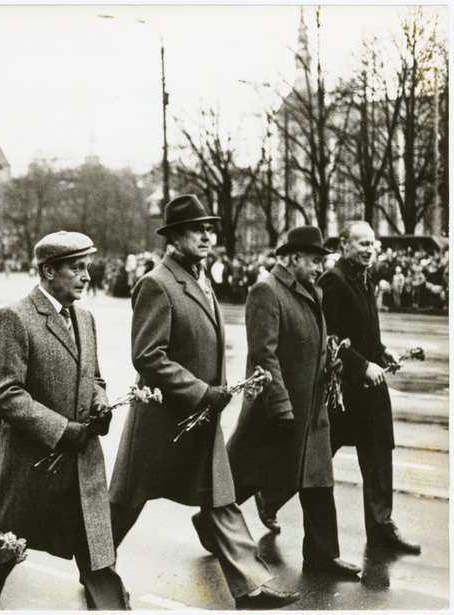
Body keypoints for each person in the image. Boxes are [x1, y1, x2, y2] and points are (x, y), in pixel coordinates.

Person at [109, 195, 299, 610]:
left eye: (211, 229)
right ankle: (94, 567)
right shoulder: (157, 283)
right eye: (199, 230)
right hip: (161, 422)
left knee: (221, 499)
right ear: (175, 237)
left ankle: (249, 588)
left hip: (200, 416)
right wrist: (200, 391)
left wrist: (218, 392)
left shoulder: (201, 278)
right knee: (125, 503)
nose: (208, 236)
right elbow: (148, 356)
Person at [0, 231, 129, 610]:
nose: (86, 276)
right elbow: (3, 392)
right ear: (48, 271)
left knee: (100, 562)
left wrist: (100, 404)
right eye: (76, 268)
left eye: (87, 267)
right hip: (32, 468)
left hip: (82, 465)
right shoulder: (14, 317)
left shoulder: (85, 318)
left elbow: (94, 377)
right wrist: (61, 430)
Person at [226, 226, 361, 580]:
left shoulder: (309, 290)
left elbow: (312, 339)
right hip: (278, 410)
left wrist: (329, 359)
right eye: (315, 260)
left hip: (311, 408)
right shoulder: (265, 290)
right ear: (294, 258)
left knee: (318, 481)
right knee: (243, 477)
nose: (320, 267)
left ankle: (322, 556)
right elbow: (263, 354)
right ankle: (214, 521)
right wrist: (281, 405)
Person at [318, 221, 420, 553]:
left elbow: (362, 332)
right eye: (361, 243)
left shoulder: (365, 278)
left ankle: (380, 526)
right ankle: (269, 499)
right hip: (343, 390)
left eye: (371, 243)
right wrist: (362, 365)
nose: (368, 249)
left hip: (369, 388)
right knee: (315, 457)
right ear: (343, 245)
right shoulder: (332, 281)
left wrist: (382, 350)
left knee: (378, 452)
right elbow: (329, 338)